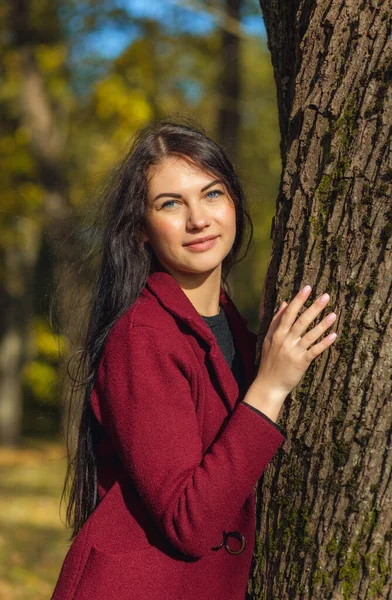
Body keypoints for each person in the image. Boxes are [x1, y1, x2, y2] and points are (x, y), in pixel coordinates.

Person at [51, 119, 337, 600]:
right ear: (140, 229)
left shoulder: (236, 330)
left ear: (234, 203)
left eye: (211, 194)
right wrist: (270, 388)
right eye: (170, 204)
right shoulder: (141, 337)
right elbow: (191, 521)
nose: (198, 219)